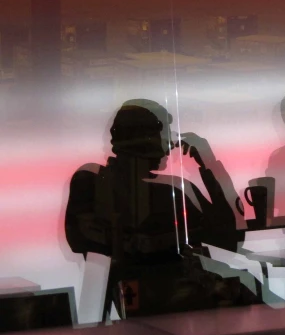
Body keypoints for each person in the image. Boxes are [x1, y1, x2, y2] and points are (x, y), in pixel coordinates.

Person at [64, 99, 245, 317]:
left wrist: (208, 161)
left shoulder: (174, 188)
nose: (170, 143)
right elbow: (83, 237)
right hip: (167, 298)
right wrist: (208, 161)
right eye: (164, 133)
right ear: (145, 138)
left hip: (179, 296)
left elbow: (229, 238)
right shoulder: (94, 180)